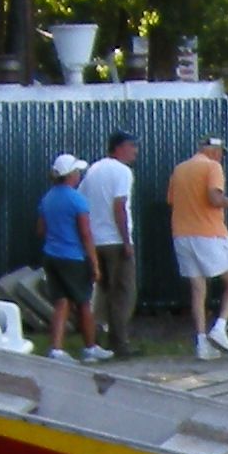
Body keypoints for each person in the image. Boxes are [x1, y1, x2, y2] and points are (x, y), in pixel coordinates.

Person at [167, 132, 228, 356]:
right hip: (209, 233)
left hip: (182, 234)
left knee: (197, 288)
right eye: (221, 153)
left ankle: (201, 343)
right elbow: (214, 199)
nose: (222, 158)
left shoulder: (180, 168)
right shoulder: (212, 167)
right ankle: (220, 328)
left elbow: (172, 200)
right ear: (213, 151)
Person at [79, 129, 138, 362]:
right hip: (114, 240)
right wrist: (126, 241)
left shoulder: (93, 170)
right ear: (119, 147)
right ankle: (120, 342)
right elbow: (119, 206)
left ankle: (95, 340)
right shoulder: (122, 172)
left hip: (95, 240)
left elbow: (81, 201)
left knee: (100, 293)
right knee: (123, 292)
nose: (135, 151)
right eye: (132, 146)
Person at [37, 153, 95, 356]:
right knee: (84, 302)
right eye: (77, 172)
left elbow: (41, 230)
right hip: (73, 257)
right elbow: (86, 234)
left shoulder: (47, 198)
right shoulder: (77, 199)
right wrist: (94, 264)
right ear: (70, 175)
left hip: (51, 256)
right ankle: (90, 348)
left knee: (61, 303)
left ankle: (56, 349)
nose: (79, 175)